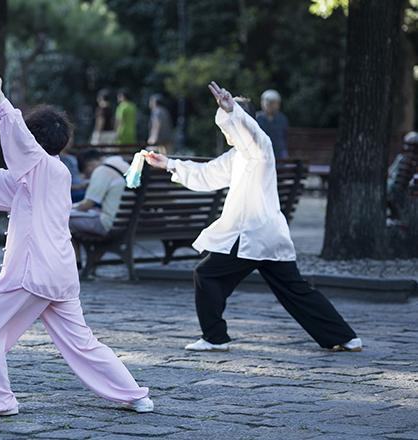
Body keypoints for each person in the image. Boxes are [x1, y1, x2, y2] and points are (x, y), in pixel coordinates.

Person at [0, 67, 153, 416]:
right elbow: (10, 183)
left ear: (34, 143)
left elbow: (20, 143)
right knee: (82, 343)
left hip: (32, 272)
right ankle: (134, 394)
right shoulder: (53, 172)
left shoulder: (38, 165)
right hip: (60, 274)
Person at [143, 81, 362, 354]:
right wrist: (169, 164)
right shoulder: (237, 156)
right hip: (263, 237)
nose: (226, 126)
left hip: (252, 234)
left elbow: (249, 132)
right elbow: (207, 175)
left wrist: (231, 109)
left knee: (206, 274)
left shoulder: (260, 147)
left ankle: (214, 337)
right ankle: (345, 337)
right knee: (295, 290)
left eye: (230, 118)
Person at [69, 149, 130, 237]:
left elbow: (87, 205)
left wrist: (69, 208)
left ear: (89, 166)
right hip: (125, 223)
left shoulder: (102, 170)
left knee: (64, 221)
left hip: (109, 224)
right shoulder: (121, 163)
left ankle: (74, 251)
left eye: (87, 174)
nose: (89, 177)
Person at [256, 89, 289, 159]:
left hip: (278, 152)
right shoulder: (257, 118)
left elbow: (285, 136)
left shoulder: (282, 119)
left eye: (273, 103)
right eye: (267, 102)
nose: (269, 105)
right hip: (261, 152)